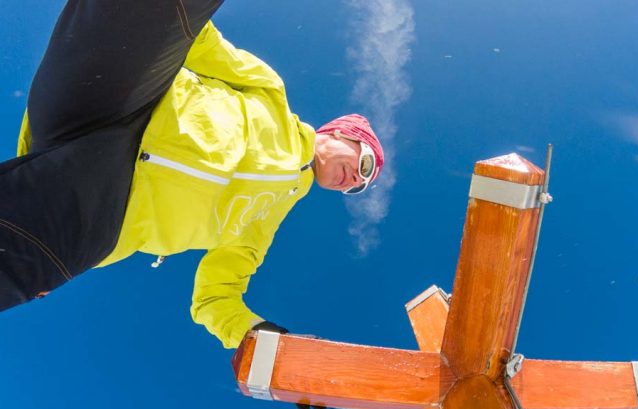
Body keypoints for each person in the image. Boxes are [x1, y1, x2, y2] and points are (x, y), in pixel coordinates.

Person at [0, 0, 384, 349]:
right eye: (364, 166)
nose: (355, 182)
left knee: (15, 265)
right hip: (130, 100)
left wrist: (260, 339)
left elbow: (217, 295)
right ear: (343, 132)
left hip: (108, 202)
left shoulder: (267, 216)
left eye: (359, 189)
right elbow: (200, 43)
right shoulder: (271, 93)